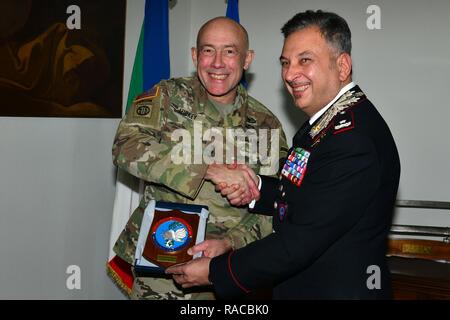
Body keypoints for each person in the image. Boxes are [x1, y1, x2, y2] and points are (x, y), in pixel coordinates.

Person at [166, 10, 401, 299]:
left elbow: (300, 241)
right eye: (285, 63)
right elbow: (306, 194)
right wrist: (255, 189)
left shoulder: (352, 138)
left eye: (305, 60)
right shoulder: (326, 124)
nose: (290, 74)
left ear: (342, 67)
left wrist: (216, 271)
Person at [110, 16, 288, 299]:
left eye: (229, 51)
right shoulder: (167, 97)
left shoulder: (266, 124)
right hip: (163, 267)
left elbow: (278, 203)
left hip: (228, 271)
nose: (217, 63)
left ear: (247, 59)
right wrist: (208, 169)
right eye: (208, 50)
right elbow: (126, 147)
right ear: (195, 55)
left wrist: (230, 242)